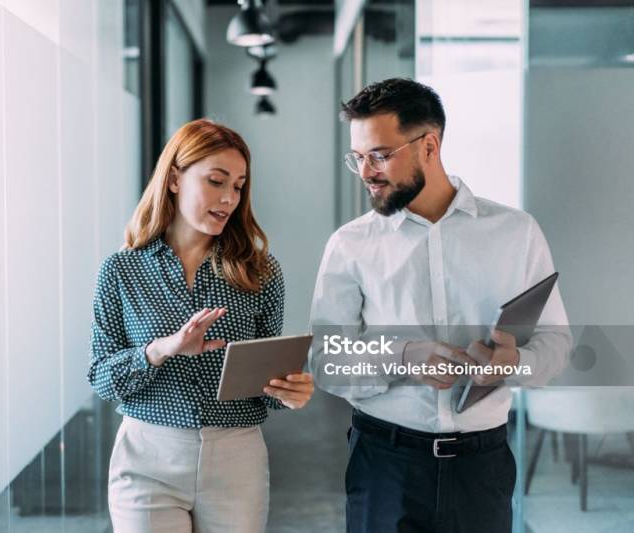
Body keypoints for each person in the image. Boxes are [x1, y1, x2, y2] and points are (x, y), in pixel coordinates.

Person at [309, 78, 572, 533]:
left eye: (380, 154)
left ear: (429, 146)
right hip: (384, 465)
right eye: (359, 158)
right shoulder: (351, 244)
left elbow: (556, 341)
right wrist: (402, 358)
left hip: (483, 466)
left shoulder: (516, 232)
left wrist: (514, 365)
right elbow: (326, 359)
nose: (367, 171)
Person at [87, 119, 314, 533]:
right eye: (216, 181)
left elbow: (267, 387)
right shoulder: (121, 270)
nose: (229, 198)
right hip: (147, 456)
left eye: (239, 186)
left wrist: (290, 392)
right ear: (174, 179)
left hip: (236, 459)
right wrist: (160, 350)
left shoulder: (260, 273)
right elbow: (102, 379)